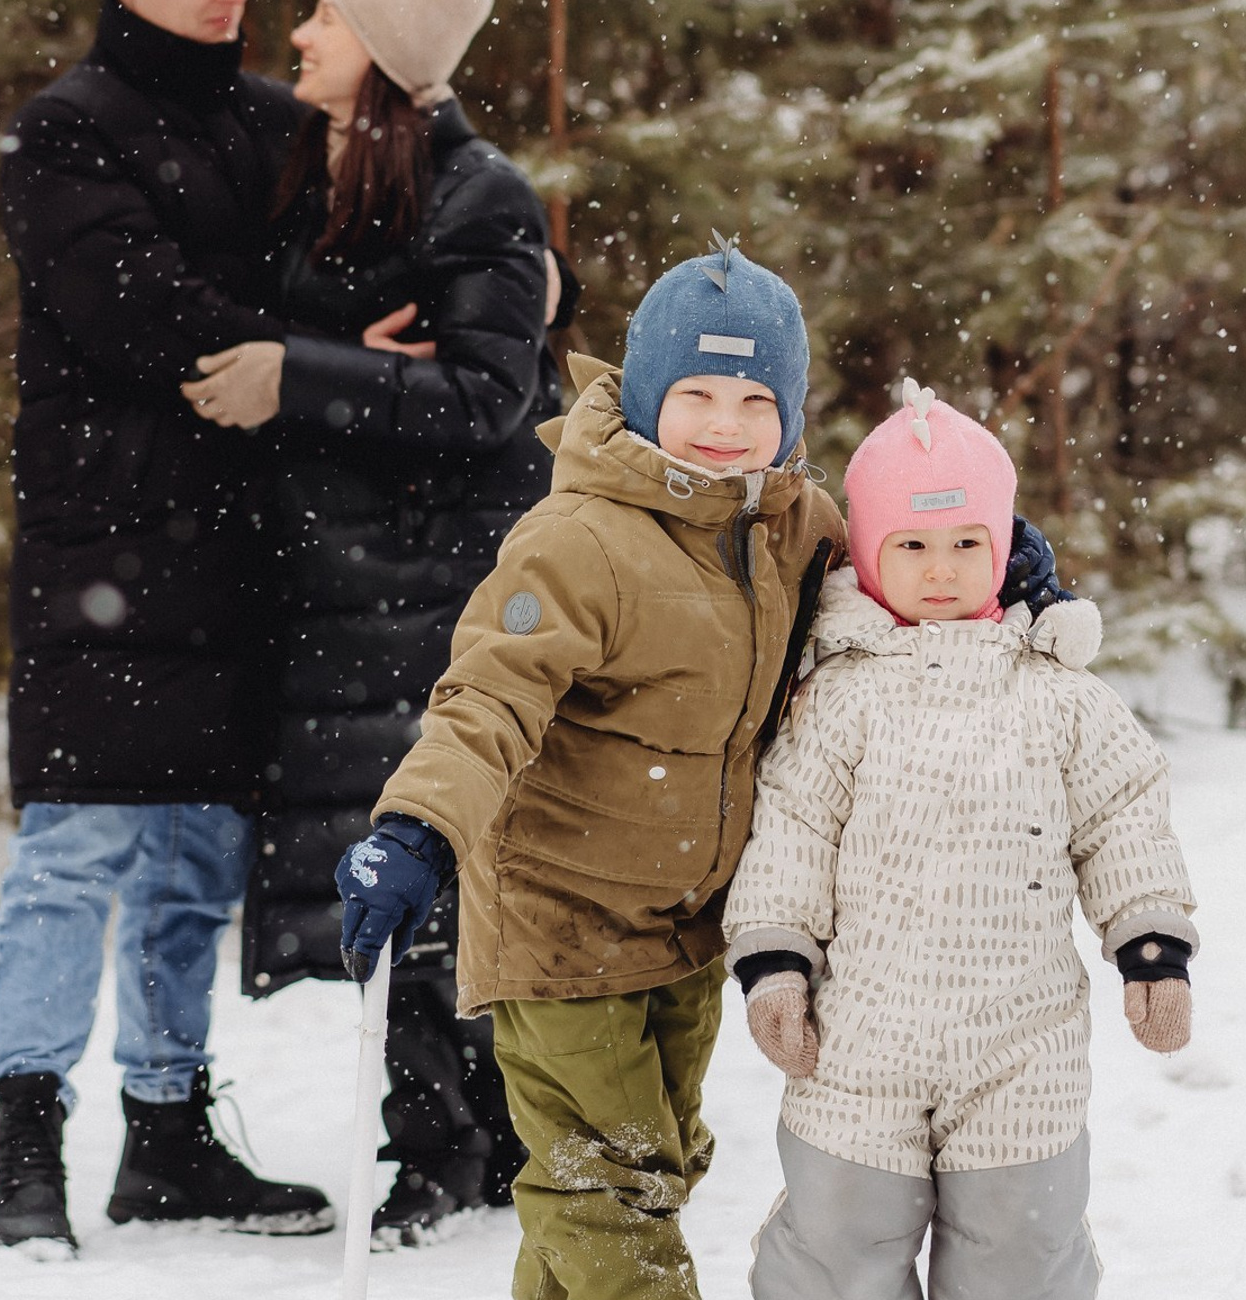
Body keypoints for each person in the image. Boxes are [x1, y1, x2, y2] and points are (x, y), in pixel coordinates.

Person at [328, 244, 1084, 1300]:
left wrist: (1013, 561)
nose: (725, 425)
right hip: (562, 923)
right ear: (645, 395)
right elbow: (489, 698)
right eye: (696, 395)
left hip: (689, 926)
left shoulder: (794, 526)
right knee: (607, 1187)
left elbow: (902, 561)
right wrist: (418, 829)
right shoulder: (576, 542)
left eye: (754, 401)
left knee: (652, 1167)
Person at [0, 0, 331, 1251]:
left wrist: (516, 283)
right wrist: (305, 347)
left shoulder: (278, 124)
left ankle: (169, 1132)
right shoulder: (67, 128)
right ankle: (26, 1143)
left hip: (245, 546)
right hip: (108, 546)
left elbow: (380, 249)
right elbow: (132, 309)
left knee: (199, 857)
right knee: (76, 852)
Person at [179, 0, 564, 1243]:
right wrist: (332, 355)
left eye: (329, 19)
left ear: (390, 56)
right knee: (379, 875)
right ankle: (451, 1137)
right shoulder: (323, 181)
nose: (300, 34)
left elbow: (492, 398)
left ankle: (462, 1147)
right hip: (336, 594)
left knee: (433, 869)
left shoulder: (477, 190)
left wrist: (304, 373)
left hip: (437, 593)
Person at [722, 381, 1197, 1300]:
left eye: (966, 544)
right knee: (836, 1248)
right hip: (858, 1038)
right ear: (870, 552)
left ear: (1003, 546)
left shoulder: (1060, 696)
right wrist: (776, 963)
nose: (940, 569)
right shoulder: (839, 696)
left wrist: (1152, 947)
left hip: (1023, 1042)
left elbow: (1124, 815)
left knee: (1021, 1251)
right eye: (912, 545)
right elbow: (792, 827)